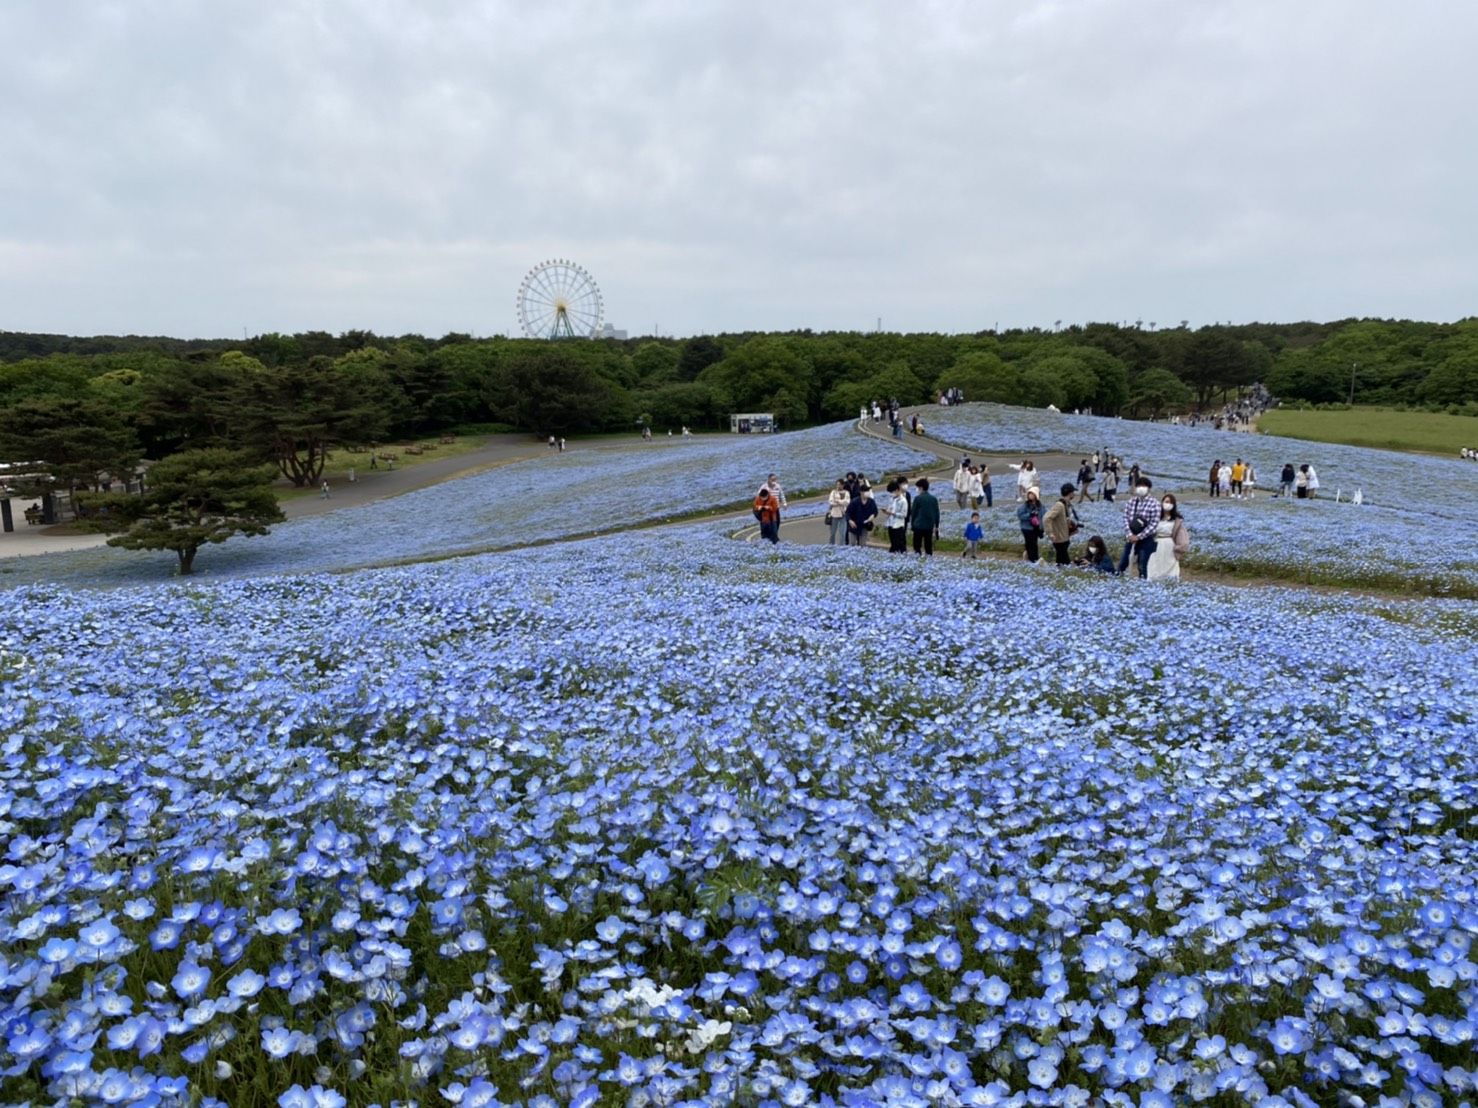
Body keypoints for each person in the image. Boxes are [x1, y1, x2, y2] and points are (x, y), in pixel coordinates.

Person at [1117, 477, 1162, 579]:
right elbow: (1125, 518)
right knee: (1123, 562)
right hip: (1131, 537)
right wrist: (1129, 534)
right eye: (1139, 486)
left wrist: (1139, 537)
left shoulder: (1155, 504)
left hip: (1146, 538)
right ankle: (1118, 580)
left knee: (1142, 564)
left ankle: (1143, 585)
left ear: (1149, 488)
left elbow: (1154, 524)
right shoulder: (1131, 502)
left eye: (1144, 486)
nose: (1141, 488)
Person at [1146, 493, 1189, 581]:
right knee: (1154, 565)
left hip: (1169, 545)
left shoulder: (1177, 519)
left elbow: (1183, 537)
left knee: (1170, 566)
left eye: (1170, 502)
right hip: (1155, 544)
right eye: (1166, 501)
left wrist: (1179, 547)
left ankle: (1170, 584)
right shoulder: (1155, 516)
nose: (1168, 504)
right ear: (1162, 503)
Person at [1043, 482, 1080, 566]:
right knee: (1065, 563)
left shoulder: (1065, 504)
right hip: (1059, 539)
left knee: (1061, 563)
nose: (1074, 494)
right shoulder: (1059, 505)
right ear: (1070, 493)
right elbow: (1046, 518)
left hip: (1064, 538)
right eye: (1073, 492)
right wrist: (1050, 533)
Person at [909, 477, 940, 556]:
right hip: (929, 526)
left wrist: (912, 525)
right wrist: (936, 525)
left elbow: (914, 513)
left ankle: (918, 558)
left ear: (921, 488)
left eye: (918, 488)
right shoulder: (933, 499)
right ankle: (928, 559)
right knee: (928, 545)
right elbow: (937, 513)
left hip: (918, 525)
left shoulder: (917, 499)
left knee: (917, 545)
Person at [1016, 488, 1045, 563]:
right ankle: (1032, 560)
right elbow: (1020, 515)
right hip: (1026, 528)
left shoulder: (1040, 505)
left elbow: (1044, 515)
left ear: (1036, 495)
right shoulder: (1025, 505)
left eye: (1032, 494)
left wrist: (1042, 526)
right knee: (1029, 544)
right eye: (1029, 494)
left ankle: (1034, 559)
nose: (1030, 495)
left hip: (1035, 528)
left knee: (1034, 544)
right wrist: (1030, 515)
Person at [884, 480, 909, 553]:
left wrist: (892, 513)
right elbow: (890, 509)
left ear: (897, 490)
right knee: (893, 543)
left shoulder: (903, 500)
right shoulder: (891, 499)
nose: (891, 494)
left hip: (898, 525)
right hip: (890, 524)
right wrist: (887, 511)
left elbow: (904, 515)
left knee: (899, 545)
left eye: (892, 492)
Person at [825, 481, 850, 545]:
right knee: (832, 533)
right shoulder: (833, 492)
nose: (838, 486)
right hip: (834, 515)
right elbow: (831, 502)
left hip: (843, 514)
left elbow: (847, 502)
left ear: (843, 485)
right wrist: (841, 502)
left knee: (842, 533)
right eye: (837, 485)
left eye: (839, 485)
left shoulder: (846, 493)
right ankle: (831, 545)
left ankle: (841, 546)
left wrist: (838, 501)